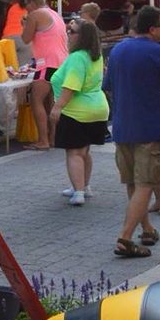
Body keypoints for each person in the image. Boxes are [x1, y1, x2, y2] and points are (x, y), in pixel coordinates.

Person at [103, 5, 160, 256]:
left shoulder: (119, 49)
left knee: (133, 183)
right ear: (153, 29)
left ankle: (147, 229)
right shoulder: (159, 52)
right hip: (150, 129)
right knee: (147, 183)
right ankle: (125, 238)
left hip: (122, 127)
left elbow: (107, 85)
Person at [50, 20, 110, 206]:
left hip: (77, 111)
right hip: (97, 109)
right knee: (84, 151)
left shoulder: (77, 58)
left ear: (82, 36)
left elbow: (71, 86)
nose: (68, 33)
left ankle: (78, 191)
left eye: (72, 31)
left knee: (74, 152)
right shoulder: (95, 55)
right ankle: (83, 185)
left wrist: (57, 107)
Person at [20, 0, 68, 151]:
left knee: (36, 100)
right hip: (61, 62)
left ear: (31, 4)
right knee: (52, 101)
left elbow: (25, 38)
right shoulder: (55, 14)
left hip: (46, 63)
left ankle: (43, 140)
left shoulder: (35, 15)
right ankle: (54, 137)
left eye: (26, 7)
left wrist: (25, 23)